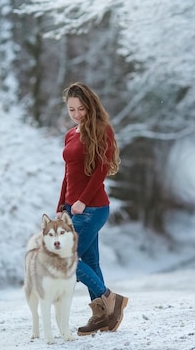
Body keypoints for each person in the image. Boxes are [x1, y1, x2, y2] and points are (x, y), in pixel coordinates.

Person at [55, 82, 128, 335]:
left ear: (90, 106)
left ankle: (110, 299)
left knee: (65, 259)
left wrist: (82, 201)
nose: (76, 114)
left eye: (81, 109)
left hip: (92, 208)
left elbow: (101, 171)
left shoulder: (102, 130)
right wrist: (61, 206)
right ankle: (103, 317)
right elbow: (68, 174)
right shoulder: (71, 134)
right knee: (91, 262)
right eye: (71, 109)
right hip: (72, 207)